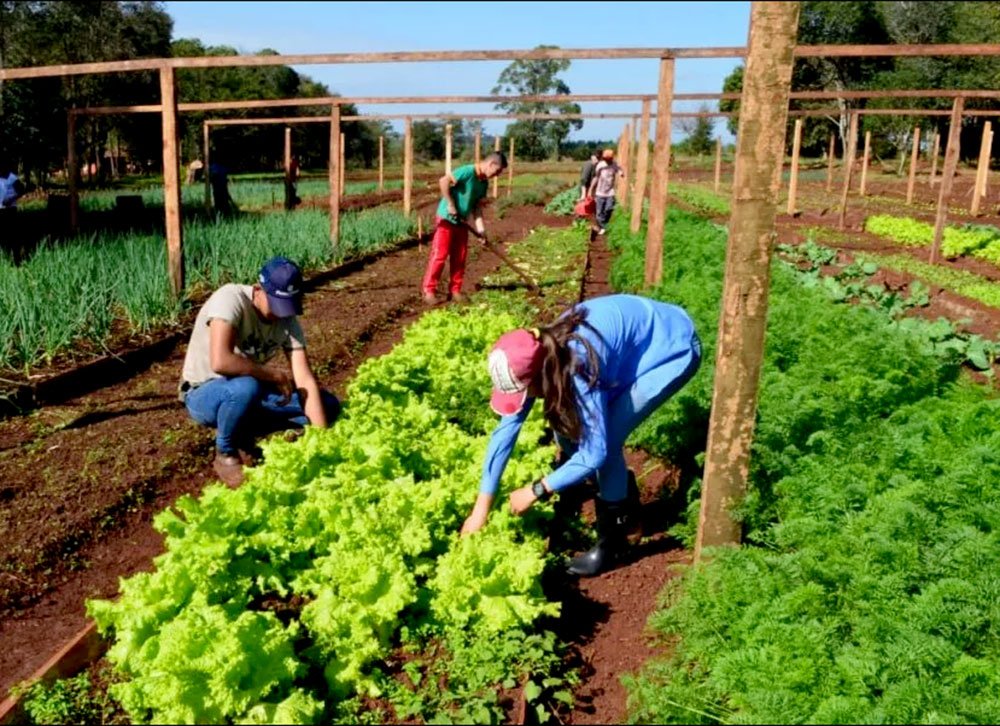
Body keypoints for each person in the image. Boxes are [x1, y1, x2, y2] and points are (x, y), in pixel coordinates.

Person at [461, 293, 702, 577]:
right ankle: (622, 497)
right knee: (569, 432)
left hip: (671, 349)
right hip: (636, 342)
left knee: (607, 442)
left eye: (523, 392)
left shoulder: (579, 367)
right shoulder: (539, 354)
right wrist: (480, 510)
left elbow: (596, 451)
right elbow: (506, 431)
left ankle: (613, 545)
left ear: (540, 376)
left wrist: (537, 490)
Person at [178, 256, 341, 487]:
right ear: (258, 290)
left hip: (251, 396)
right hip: (205, 394)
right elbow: (220, 361)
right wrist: (273, 375)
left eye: (287, 307)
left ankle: (245, 435)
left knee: (327, 405)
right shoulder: (230, 299)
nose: (280, 314)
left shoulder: (287, 319)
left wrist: (321, 443)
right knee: (245, 387)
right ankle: (226, 452)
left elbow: (304, 378)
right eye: (276, 305)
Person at [421, 151, 508, 305]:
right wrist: (450, 204)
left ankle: (455, 291)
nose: (497, 175)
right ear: (491, 164)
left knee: (460, 257)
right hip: (446, 219)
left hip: (461, 222)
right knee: (440, 255)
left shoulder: (483, 183)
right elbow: (443, 181)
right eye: (497, 171)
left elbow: (476, 208)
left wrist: (481, 231)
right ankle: (429, 291)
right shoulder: (467, 171)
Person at [588, 149, 626, 236]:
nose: (607, 160)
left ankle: (604, 226)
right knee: (599, 213)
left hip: (610, 192)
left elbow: (620, 171)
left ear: (612, 158)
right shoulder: (600, 165)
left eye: (609, 159)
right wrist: (590, 189)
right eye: (605, 159)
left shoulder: (614, 164)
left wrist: (622, 174)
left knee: (609, 209)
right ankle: (604, 227)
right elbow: (596, 177)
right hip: (600, 192)